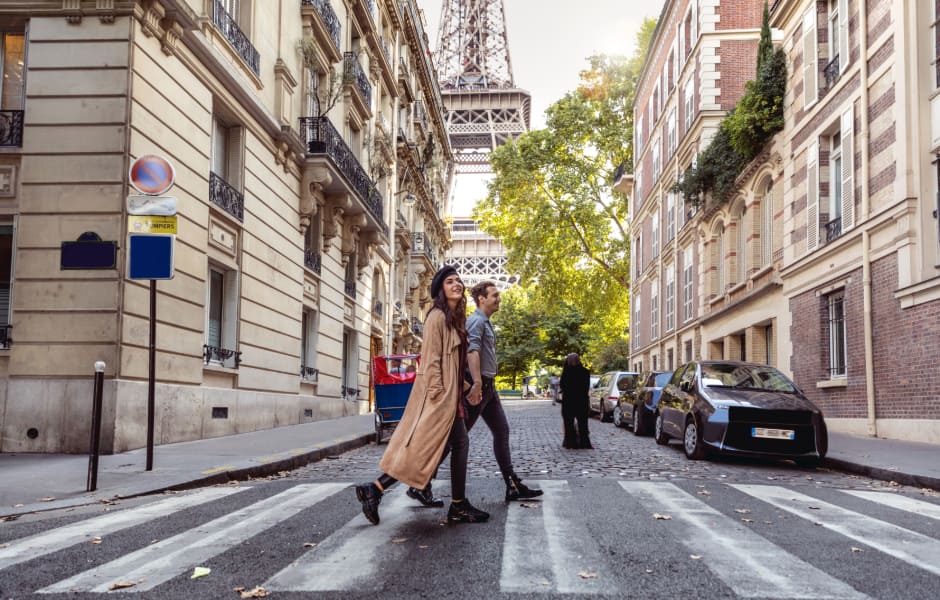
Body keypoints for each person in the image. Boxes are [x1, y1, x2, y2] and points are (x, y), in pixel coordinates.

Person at [355, 266, 489, 525]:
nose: (457, 284)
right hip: (439, 397)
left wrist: (465, 388)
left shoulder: (452, 318)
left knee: (435, 448)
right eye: (450, 281)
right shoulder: (437, 317)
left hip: (450, 395)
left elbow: (452, 364)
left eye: (459, 281)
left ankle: (378, 489)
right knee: (449, 445)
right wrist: (440, 395)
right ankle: (457, 505)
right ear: (440, 288)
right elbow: (431, 361)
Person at [410, 280, 542, 504]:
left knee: (501, 431)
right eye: (495, 295)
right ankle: (421, 483)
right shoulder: (476, 322)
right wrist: (477, 385)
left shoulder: (485, 323)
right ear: (482, 299)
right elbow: (471, 352)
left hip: (488, 387)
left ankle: (512, 484)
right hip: (477, 386)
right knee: (457, 441)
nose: (499, 299)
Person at [560, 353, 592, 449]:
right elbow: (586, 387)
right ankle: (584, 442)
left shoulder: (566, 373)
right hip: (581, 401)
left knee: (568, 423)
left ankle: (570, 442)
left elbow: (563, 386)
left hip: (568, 402)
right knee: (583, 423)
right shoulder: (585, 372)